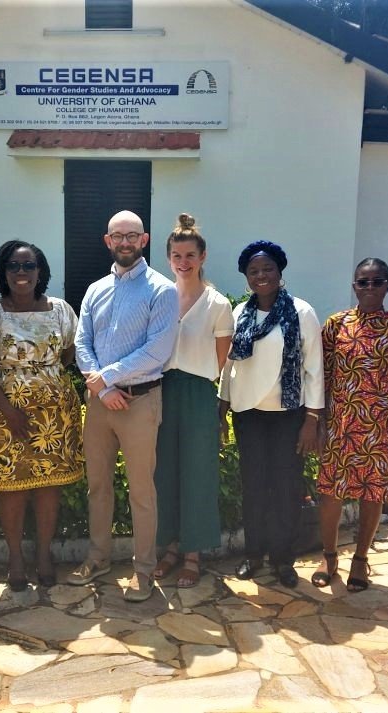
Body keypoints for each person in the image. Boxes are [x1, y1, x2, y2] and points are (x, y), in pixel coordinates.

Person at [68, 210, 179, 602]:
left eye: (132, 235)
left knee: (141, 491)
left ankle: (143, 570)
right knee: (98, 486)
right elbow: (81, 343)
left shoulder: (162, 290)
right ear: (108, 241)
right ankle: (98, 557)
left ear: (144, 240)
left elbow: (157, 350)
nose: (125, 242)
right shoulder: (95, 290)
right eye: (118, 236)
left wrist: (106, 379)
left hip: (140, 401)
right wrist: (102, 390)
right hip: (101, 404)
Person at [0, 240, 84, 590]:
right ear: (3, 272)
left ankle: (44, 554)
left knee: (49, 486)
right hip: (5, 414)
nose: (21, 272)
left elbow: (69, 354)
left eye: (29, 266)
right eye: (13, 266)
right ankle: (16, 558)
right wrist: (9, 410)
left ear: (40, 271)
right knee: (10, 487)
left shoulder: (60, 309)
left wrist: (45, 386)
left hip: (55, 417)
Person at [218, 240, 323, 588]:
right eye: (254, 271)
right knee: (253, 487)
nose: (261, 275)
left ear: (279, 272)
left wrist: (312, 419)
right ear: (246, 277)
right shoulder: (240, 313)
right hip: (248, 414)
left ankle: (282, 559)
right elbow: (230, 366)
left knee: (286, 489)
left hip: (288, 415)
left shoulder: (301, 312)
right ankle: (253, 555)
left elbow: (314, 368)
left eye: (267, 269)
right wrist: (222, 406)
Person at [314, 258, 388, 591]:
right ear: (354, 286)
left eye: (376, 281)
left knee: (373, 493)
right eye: (363, 282)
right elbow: (321, 376)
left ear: (387, 286)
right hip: (340, 425)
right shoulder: (336, 325)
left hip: (380, 429)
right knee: (330, 493)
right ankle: (329, 557)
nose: (369, 287)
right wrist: (318, 422)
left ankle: (360, 559)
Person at [152, 214, 233, 589]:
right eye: (176, 255)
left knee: (198, 473)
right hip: (162, 390)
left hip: (198, 393)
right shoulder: (160, 298)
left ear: (202, 256)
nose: (183, 262)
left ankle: (193, 554)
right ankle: (170, 547)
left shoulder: (217, 304)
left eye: (189, 255)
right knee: (164, 471)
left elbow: (220, 360)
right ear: (168, 258)